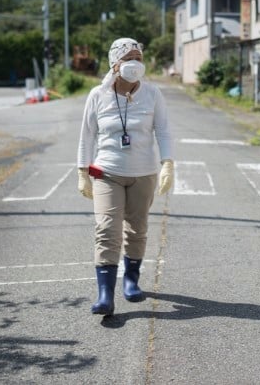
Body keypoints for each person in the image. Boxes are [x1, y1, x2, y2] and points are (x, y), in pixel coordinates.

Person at [76, 37, 174, 316]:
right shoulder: (98, 95)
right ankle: (105, 294)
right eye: (129, 58)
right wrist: (83, 171)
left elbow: (164, 131)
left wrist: (168, 163)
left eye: (139, 58)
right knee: (106, 229)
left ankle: (131, 280)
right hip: (106, 171)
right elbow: (86, 136)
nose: (135, 64)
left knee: (137, 228)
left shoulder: (153, 94)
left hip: (144, 173)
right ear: (115, 63)